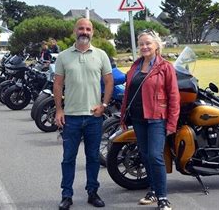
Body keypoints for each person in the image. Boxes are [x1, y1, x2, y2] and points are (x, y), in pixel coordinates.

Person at [54, 18, 113, 210]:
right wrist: (59, 110)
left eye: (88, 29)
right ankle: (66, 195)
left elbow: (109, 81)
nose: (84, 32)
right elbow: (58, 84)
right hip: (70, 116)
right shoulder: (63, 56)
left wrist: (104, 104)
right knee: (68, 158)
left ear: (92, 32)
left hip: (94, 117)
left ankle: (92, 192)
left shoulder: (101, 55)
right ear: (74, 31)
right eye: (81, 28)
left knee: (93, 158)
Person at [120, 29, 180, 210]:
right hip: (138, 118)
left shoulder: (165, 67)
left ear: (156, 46)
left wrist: (171, 123)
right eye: (141, 44)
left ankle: (163, 198)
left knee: (155, 156)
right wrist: (123, 116)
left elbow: (174, 96)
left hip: (156, 118)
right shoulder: (135, 66)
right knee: (145, 156)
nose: (145, 47)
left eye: (148, 43)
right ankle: (153, 191)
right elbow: (128, 93)